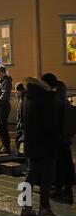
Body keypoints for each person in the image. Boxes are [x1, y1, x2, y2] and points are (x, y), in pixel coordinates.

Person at [22, 77, 61, 216]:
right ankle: (44, 207)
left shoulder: (28, 98)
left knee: (31, 175)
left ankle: (25, 206)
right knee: (46, 177)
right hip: (46, 144)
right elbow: (50, 125)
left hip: (31, 144)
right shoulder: (46, 100)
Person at [42, 73, 75, 204]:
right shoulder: (65, 101)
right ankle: (66, 190)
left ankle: (61, 190)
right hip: (66, 139)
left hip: (58, 139)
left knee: (60, 165)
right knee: (66, 164)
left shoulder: (55, 103)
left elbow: (53, 122)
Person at [15, 83, 26, 157]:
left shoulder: (23, 100)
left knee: (20, 140)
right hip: (21, 125)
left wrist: (20, 125)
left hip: (22, 126)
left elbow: (22, 115)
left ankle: (21, 155)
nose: (15, 92)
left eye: (16, 91)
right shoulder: (22, 99)